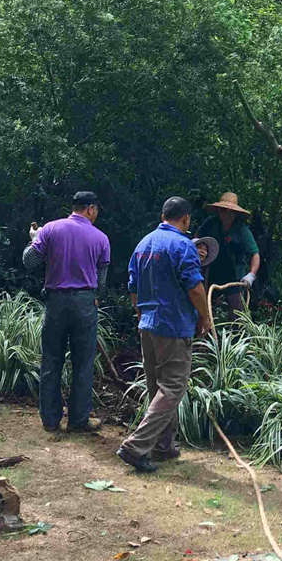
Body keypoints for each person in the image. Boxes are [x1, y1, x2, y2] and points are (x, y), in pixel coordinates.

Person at [117, 196, 214, 473]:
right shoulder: (183, 245)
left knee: (157, 388)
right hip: (173, 326)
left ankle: (164, 446)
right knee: (172, 388)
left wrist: (140, 313)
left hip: (148, 324)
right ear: (185, 219)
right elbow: (195, 288)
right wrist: (205, 317)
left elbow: (133, 286)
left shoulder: (143, 244)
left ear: (163, 215)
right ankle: (136, 446)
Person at [23, 191, 111, 433]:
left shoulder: (50, 230)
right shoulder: (101, 238)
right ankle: (78, 420)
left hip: (56, 302)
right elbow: (101, 281)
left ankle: (50, 420)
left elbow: (29, 262)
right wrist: (96, 298)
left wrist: (34, 238)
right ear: (91, 209)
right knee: (83, 363)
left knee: (51, 359)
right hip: (85, 304)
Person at [198, 192, 260, 313]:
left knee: (237, 312)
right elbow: (197, 239)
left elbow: (255, 254)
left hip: (234, 275)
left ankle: (237, 331)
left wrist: (251, 275)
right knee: (204, 307)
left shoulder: (241, 230)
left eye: (230, 211)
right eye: (223, 210)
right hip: (211, 272)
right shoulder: (210, 223)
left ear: (235, 213)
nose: (226, 214)